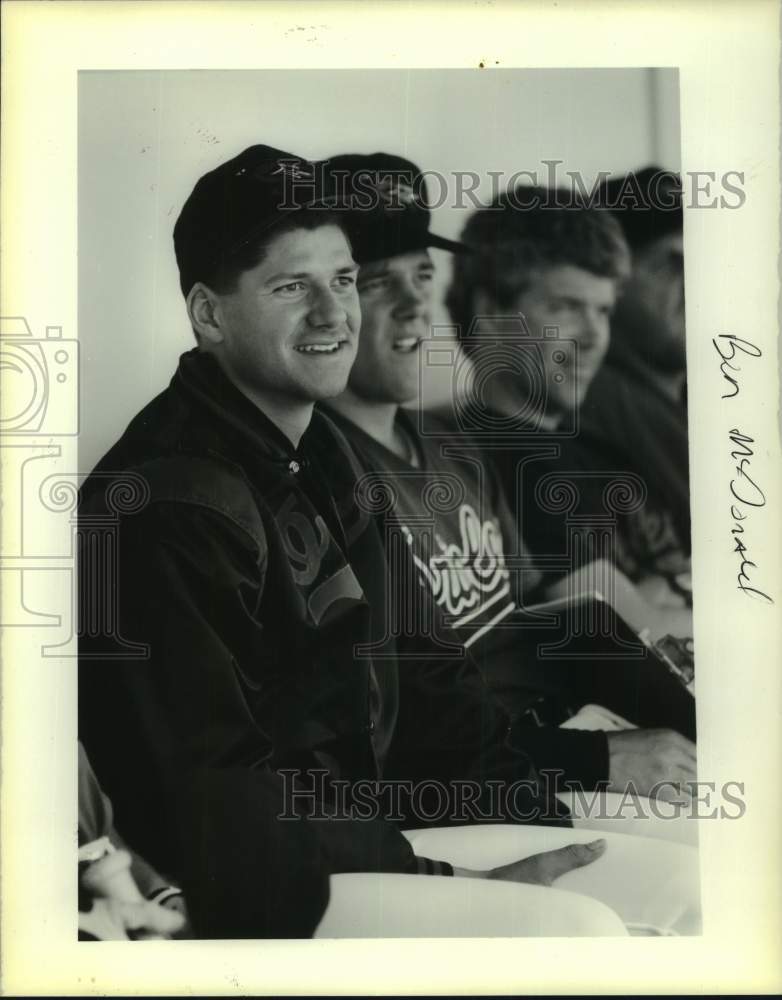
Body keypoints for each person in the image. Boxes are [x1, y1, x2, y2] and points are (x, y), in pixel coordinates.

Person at [78, 143, 611, 938]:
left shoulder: (321, 452)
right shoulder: (166, 498)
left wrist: (552, 801)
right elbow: (221, 802)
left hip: (373, 834)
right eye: (292, 287)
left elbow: (437, 685)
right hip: (258, 890)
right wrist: (446, 880)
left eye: (340, 279)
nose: (334, 315)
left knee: (669, 861)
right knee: (583, 930)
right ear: (209, 313)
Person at [321, 154, 696, 805]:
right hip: (503, 778)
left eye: (422, 277)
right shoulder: (342, 472)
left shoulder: (451, 446)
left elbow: (567, 628)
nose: (415, 307)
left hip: (557, 739)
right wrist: (591, 757)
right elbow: (392, 735)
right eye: (376, 281)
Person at [446, 185, 693, 638]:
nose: (594, 335)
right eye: (566, 308)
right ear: (489, 311)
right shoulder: (503, 462)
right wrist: (657, 598)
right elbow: (636, 636)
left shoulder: (595, 446)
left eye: (602, 310)